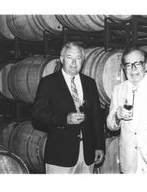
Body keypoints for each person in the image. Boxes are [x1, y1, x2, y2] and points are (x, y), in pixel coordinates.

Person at [32, 42, 105, 174]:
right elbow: (37, 116)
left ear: (82, 61)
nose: (74, 62)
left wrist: (99, 145)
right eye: (69, 57)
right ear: (61, 59)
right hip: (60, 154)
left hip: (87, 153)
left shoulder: (89, 83)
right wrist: (64, 119)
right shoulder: (49, 82)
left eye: (78, 58)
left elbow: (96, 116)